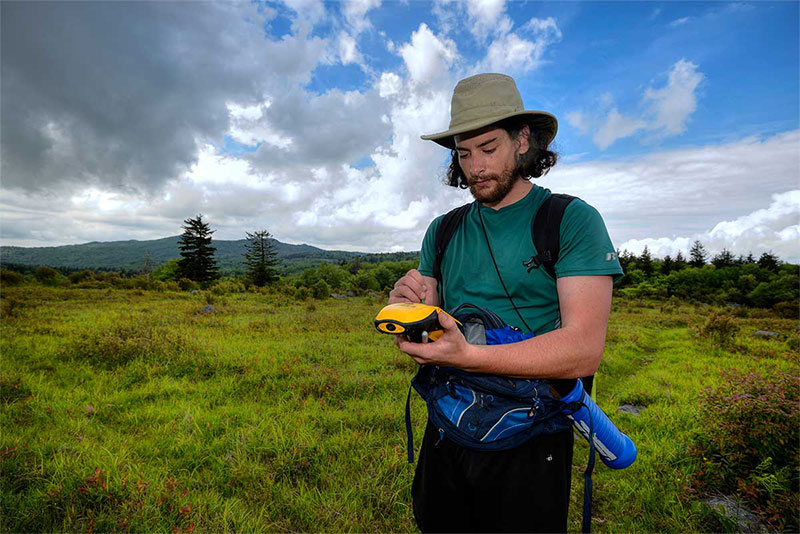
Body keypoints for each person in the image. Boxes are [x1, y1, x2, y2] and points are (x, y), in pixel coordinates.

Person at [388, 73, 624, 533]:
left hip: (533, 438)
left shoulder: (570, 221)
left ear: (522, 141)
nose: (475, 166)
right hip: (449, 424)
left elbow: (582, 349)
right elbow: (433, 319)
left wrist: (471, 356)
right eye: (463, 152)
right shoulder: (444, 229)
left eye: (488, 148)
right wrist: (408, 305)